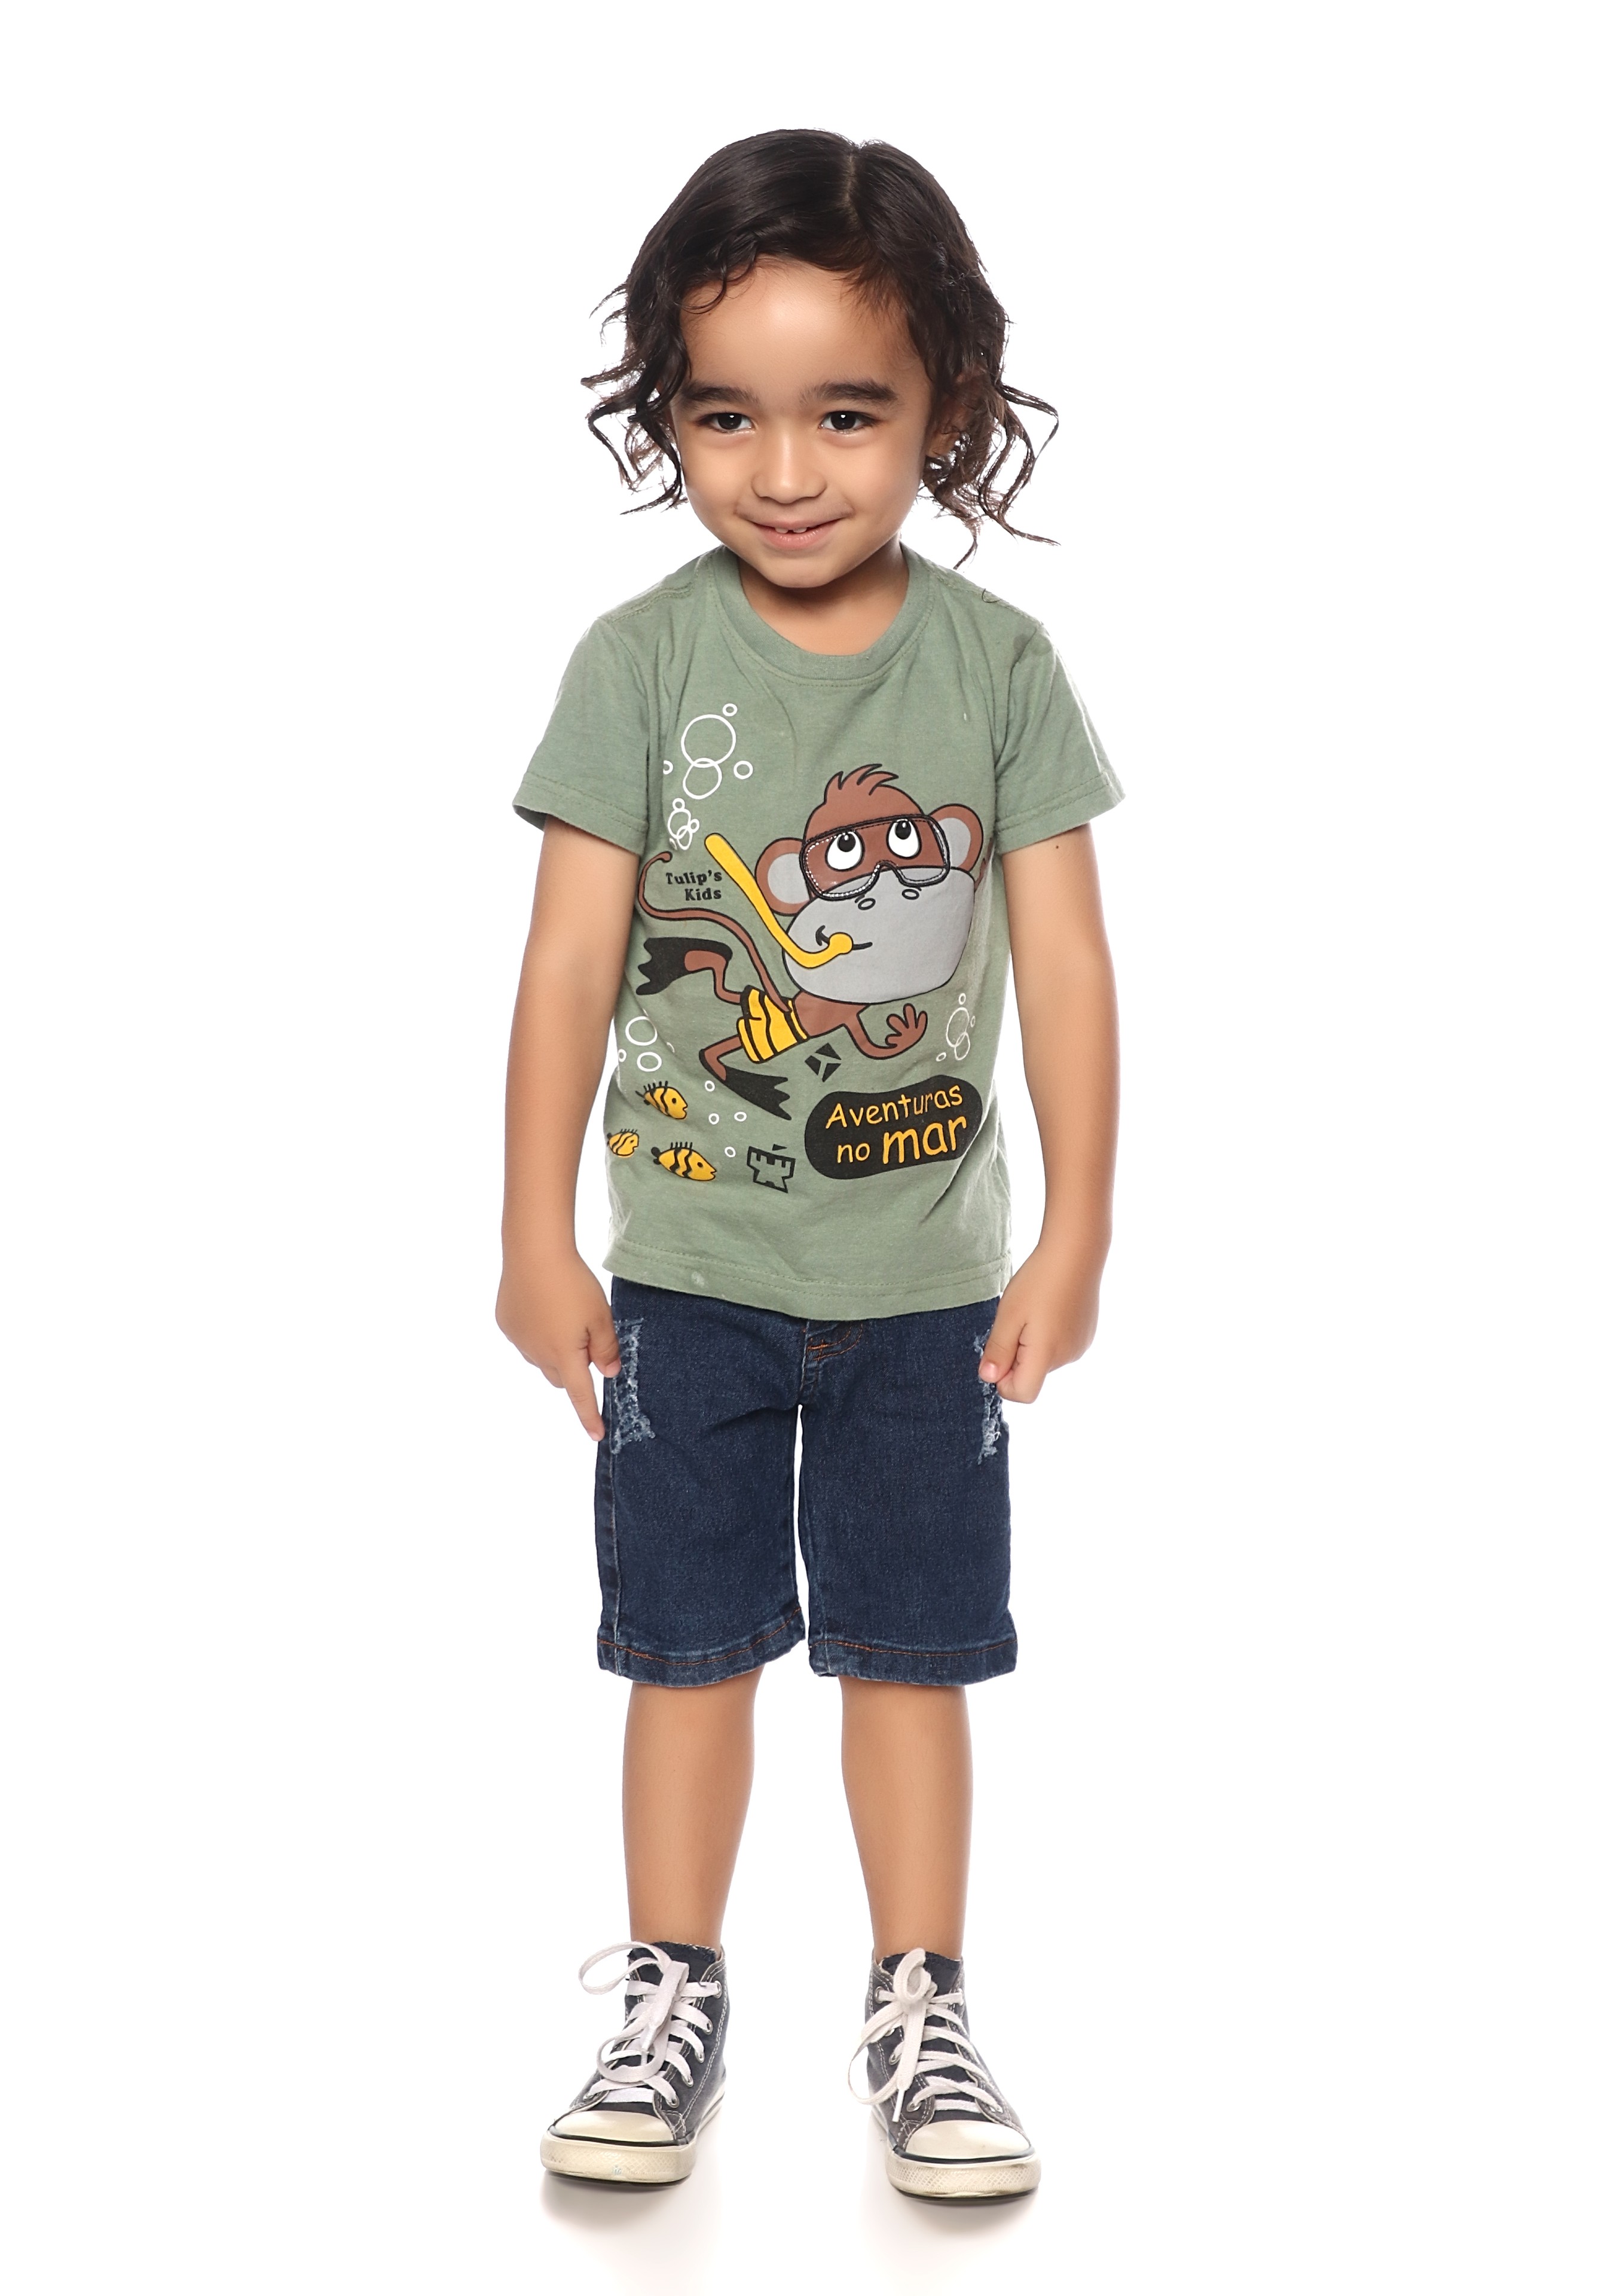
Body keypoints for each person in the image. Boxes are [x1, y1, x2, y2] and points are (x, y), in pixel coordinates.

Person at [498, 129, 1121, 2202]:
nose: (783, 472)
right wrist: (528, 1237)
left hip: (928, 1287)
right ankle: (666, 1994)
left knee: (911, 1657)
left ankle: (922, 2009)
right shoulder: (639, 661)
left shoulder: (998, 670)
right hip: (682, 1277)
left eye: (845, 413)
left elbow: (1065, 968)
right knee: (682, 1654)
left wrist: (1077, 1233)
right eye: (724, 416)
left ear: (946, 403)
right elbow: (567, 965)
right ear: (665, 414)